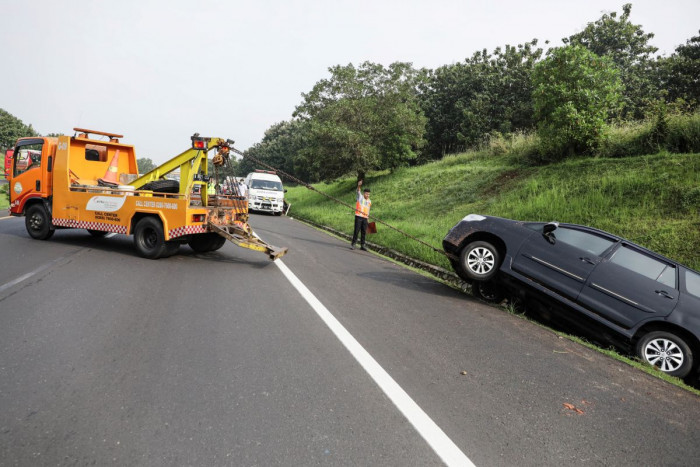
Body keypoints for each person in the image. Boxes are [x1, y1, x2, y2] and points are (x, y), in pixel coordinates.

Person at [350, 180, 371, 251]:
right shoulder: (360, 197)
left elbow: (368, 209)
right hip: (358, 216)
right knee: (356, 231)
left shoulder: (369, 201)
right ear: (364, 193)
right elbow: (358, 190)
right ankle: (353, 244)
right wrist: (359, 185)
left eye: (368, 194)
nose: (367, 195)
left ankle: (362, 245)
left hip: (365, 218)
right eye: (366, 194)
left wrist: (368, 218)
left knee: (364, 232)